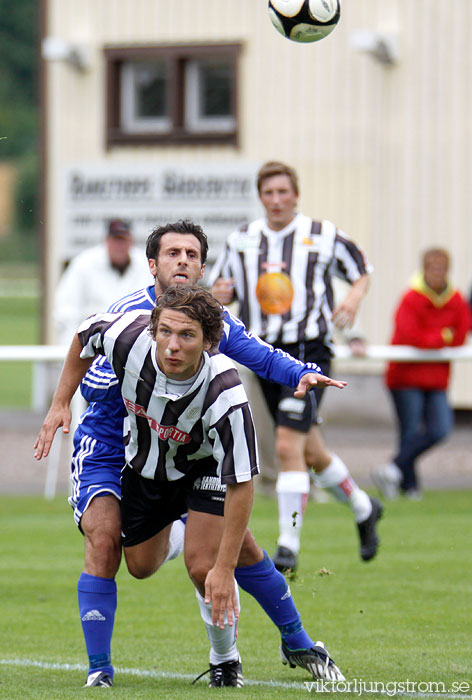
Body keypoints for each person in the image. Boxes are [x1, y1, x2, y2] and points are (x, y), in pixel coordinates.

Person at [38, 220, 346, 688]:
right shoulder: (129, 325)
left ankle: (287, 643)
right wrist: (61, 402)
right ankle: (175, 541)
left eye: (191, 254)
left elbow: (257, 353)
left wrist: (298, 372)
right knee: (121, 553)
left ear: (202, 268)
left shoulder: (217, 347)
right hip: (117, 442)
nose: (181, 260)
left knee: (224, 556)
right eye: (171, 253)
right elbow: (83, 340)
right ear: (152, 265)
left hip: (189, 451)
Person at [208, 160, 383, 573]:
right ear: (260, 197)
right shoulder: (242, 240)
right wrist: (221, 292)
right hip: (263, 355)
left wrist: (354, 298)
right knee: (310, 451)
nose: (276, 200)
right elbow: (219, 292)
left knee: (287, 446)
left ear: (296, 195)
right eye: (268, 193)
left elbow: (362, 272)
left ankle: (287, 545)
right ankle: (363, 508)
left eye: (283, 192)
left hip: (309, 351)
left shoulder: (321, 235)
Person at [373, 248, 471, 500]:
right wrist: (443, 336)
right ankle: (410, 486)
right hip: (405, 377)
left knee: (440, 429)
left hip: (436, 378)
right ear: (425, 269)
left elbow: (460, 334)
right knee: (410, 431)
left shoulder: (455, 298)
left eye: (442, 268)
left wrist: (438, 338)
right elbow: (410, 335)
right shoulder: (411, 298)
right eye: (433, 268)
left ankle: (391, 468)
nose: (437, 273)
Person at [54, 218, 151, 344]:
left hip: (136, 344)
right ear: (106, 241)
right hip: (92, 344)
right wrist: (75, 348)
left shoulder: (145, 265)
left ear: (131, 241)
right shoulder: (84, 264)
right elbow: (65, 310)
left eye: (123, 240)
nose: (119, 246)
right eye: (115, 240)